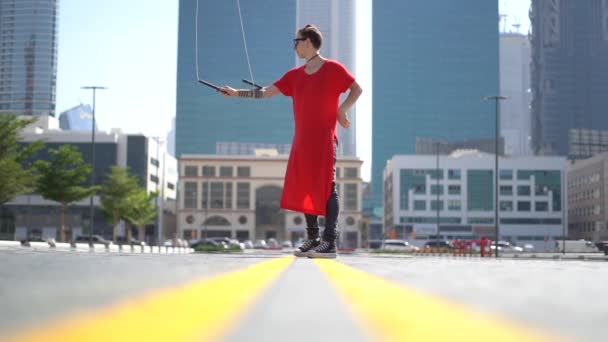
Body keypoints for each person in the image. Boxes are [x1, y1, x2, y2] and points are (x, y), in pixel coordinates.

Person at [219, 24, 362, 258]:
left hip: (324, 139)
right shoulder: (294, 75)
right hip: (302, 141)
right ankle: (314, 239)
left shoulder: (333, 69)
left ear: (307, 42)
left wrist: (342, 110)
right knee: (305, 185)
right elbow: (265, 92)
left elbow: (356, 89)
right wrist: (236, 92)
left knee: (327, 187)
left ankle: (330, 241)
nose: (295, 46)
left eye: (296, 42)